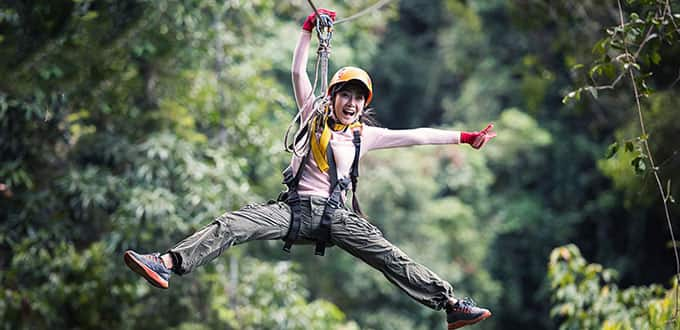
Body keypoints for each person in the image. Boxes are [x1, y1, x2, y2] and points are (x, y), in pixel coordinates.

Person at [124, 9, 496, 329]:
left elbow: (417, 136)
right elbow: (299, 72)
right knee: (232, 224)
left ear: (363, 103)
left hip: (337, 217)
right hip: (294, 210)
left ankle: (450, 305)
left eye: (357, 98)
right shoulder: (311, 117)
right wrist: (307, 29)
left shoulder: (363, 136)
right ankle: (167, 262)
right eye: (344, 95)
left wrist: (466, 137)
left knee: (389, 256)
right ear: (332, 96)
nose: (350, 103)